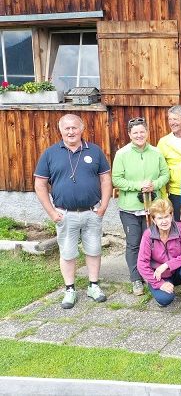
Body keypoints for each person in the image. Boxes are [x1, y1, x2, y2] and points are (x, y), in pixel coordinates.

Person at [34, 114, 112, 309]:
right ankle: (69, 289)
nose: (71, 132)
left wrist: (103, 206)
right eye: (67, 128)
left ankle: (93, 286)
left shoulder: (94, 151)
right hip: (65, 214)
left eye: (74, 128)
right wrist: (52, 213)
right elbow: (40, 185)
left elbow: (105, 180)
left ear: (82, 128)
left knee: (94, 250)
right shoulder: (50, 154)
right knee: (68, 253)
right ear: (60, 130)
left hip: (92, 212)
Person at [112, 117, 170, 296]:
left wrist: (154, 184)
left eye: (142, 132)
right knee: (134, 243)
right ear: (129, 134)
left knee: (152, 242)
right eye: (135, 132)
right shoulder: (122, 154)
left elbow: (165, 174)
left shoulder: (156, 152)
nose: (139, 135)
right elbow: (117, 179)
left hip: (152, 207)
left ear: (147, 133)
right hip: (130, 207)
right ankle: (136, 278)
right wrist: (138, 186)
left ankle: (152, 275)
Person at [137, 199, 181, 317]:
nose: (164, 221)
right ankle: (162, 287)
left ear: (171, 215)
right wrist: (159, 284)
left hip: (178, 272)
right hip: (160, 276)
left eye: (166, 216)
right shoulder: (148, 235)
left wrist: (166, 265)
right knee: (165, 300)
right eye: (160, 218)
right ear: (154, 220)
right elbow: (142, 264)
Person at [157, 105, 181, 222]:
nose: (172, 123)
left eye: (175, 119)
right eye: (170, 119)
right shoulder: (164, 142)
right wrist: (163, 197)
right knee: (178, 228)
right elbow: (159, 170)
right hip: (176, 193)